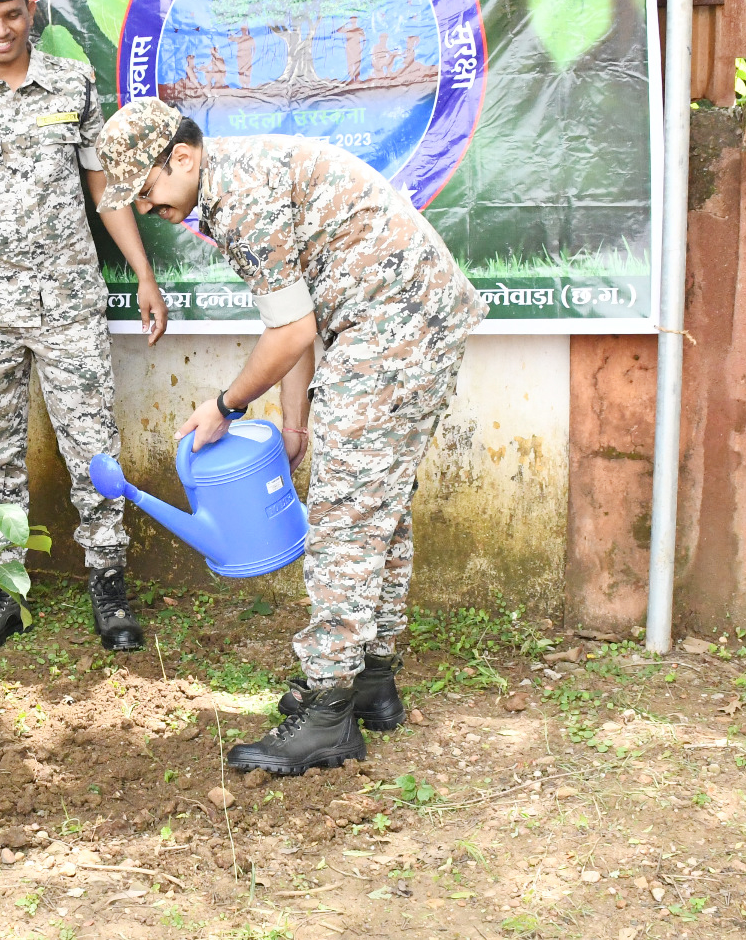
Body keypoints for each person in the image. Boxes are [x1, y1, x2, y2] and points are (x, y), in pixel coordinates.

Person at [95, 98, 486, 775]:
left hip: (393, 325)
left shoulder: (239, 198)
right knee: (378, 511)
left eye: (150, 192)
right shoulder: (235, 182)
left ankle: (329, 714)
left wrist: (226, 403)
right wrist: (295, 421)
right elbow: (297, 313)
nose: (150, 210)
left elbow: (291, 333)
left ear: (182, 158)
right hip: (407, 318)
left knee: (343, 519)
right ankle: (372, 680)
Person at [0, 0, 167, 654]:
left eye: (10, 15)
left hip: (66, 303)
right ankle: (4, 594)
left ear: (31, 12)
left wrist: (143, 274)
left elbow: (104, 188)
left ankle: (110, 589)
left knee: (94, 449)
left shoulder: (73, 83)